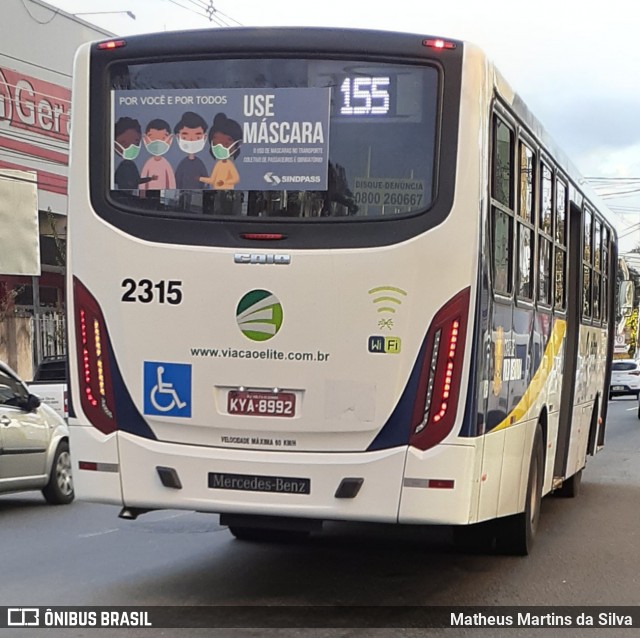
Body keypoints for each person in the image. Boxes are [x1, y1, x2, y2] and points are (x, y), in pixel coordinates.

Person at [199, 113, 242, 190]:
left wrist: (224, 182)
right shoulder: (218, 165)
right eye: (216, 143)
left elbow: (236, 179)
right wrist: (200, 179)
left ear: (237, 145)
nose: (220, 147)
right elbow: (212, 180)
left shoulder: (229, 165)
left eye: (226, 144)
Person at [114, 117, 156, 189]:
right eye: (124, 143)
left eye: (135, 143)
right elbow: (115, 180)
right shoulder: (122, 165)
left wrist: (150, 179)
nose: (131, 147)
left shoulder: (131, 165)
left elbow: (137, 180)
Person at [174, 111, 208, 189]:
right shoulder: (182, 164)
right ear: (178, 137)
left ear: (204, 137)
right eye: (185, 137)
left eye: (197, 137)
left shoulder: (200, 163)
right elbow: (177, 179)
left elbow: (206, 180)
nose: (191, 140)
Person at [140, 119, 176, 190]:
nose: (157, 143)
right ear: (145, 139)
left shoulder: (165, 164)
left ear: (170, 139)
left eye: (162, 138)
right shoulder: (148, 163)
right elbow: (142, 181)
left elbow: (171, 181)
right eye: (153, 138)